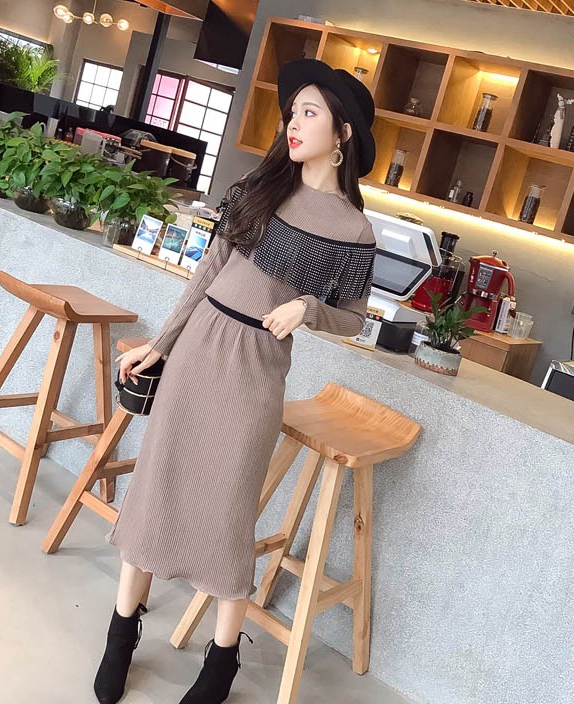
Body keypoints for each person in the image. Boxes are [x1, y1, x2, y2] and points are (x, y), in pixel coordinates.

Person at [93, 58, 378, 704]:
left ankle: (221, 661)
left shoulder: (354, 231)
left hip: (256, 370)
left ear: (344, 133)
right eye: (293, 112)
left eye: (309, 112)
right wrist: (160, 346)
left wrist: (309, 308)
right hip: (199, 348)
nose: (293, 123)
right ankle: (121, 631)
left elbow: (354, 319)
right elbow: (208, 271)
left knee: (227, 513)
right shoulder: (258, 186)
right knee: (157, 486)